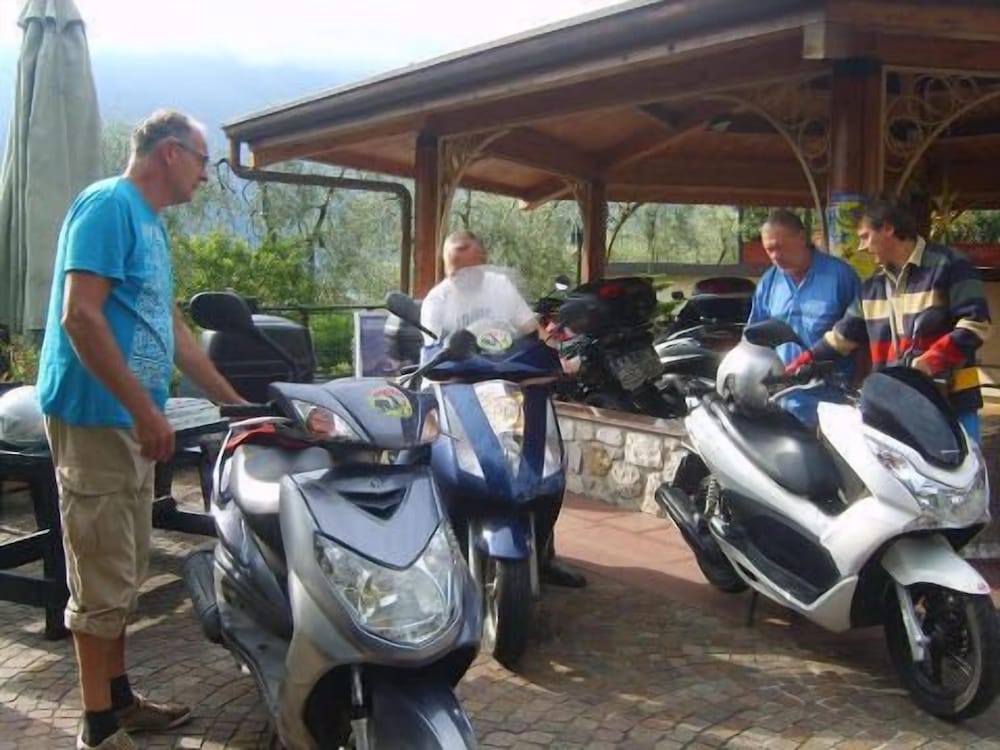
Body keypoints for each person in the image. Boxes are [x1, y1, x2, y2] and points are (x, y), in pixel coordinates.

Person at [36, 110, 247, 750]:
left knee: (123, 568)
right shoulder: (108, 206)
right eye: (203, 160)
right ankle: (97, 730)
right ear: (170, 153)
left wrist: (233, 402)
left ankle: (119, 700)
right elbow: (80, 317)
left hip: (128, 420)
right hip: (97, 418)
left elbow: (172, 329)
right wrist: (143, 411)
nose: (206, 176)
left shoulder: (149, 225)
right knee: (100, 571)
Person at [419, 229, 586, 588]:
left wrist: (553, 357)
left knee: (543, 461)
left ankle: (544, 553)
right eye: (454, 268)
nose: (461, 275)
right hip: (457, 388)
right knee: (416, 451)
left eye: (469, 267)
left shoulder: (500, 287)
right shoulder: (437, 300)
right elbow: (431, 350)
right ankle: (418, 549)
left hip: (510, 384)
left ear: (483, 260)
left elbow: (531, 331)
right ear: (445, 266)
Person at [788, 195, 991, 442]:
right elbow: (842, 337)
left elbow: (976, 323)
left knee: (963, 467)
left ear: (887, 228)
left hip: (952, 403)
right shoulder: (872, 287)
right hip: (897, 409)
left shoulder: (949, 264)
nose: (861, 247)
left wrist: (931, 361)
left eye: (865, 236)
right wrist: (803, 361)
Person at [749, 209, 862, 371]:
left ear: (801, 238)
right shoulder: (768, 283)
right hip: (783, 381)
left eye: (779, 247)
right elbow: (755, 340)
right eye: (769, 250)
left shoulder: (841, 276)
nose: (775, 256)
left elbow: (861, 335)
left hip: (832, 382)